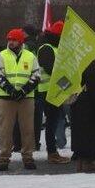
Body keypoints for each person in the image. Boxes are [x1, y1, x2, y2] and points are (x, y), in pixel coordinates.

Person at [0, 28, 40, 172]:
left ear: (20, 41)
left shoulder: (30, 56)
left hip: (26, 98)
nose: (10, 42)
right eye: (9, 39)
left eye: (13, 40)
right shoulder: (2, 55)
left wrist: (24, 90)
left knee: (28, 129)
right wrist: (11, 91)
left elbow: (36, 75)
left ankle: (28, 157)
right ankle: (3, 159)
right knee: (5, 130)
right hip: (7, 98)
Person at [35, 21, 70, 163]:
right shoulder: (46, 48)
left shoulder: (53, 48)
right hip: (48, 91)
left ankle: (53, 151)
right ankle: (52, 152)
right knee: (52, 122)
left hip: (54, 91)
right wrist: (66, 85)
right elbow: (52, 70)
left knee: (54, 121)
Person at [69, 49, 95, 174]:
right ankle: (88, 162)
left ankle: (80, 162)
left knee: (78, 131)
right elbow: (94, 86)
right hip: (88, 102)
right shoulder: (89, 64)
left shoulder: (74, 63)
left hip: (76, 100)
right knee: (89, 132)